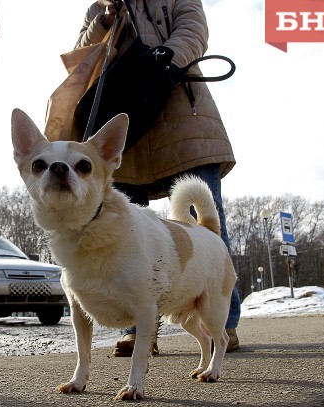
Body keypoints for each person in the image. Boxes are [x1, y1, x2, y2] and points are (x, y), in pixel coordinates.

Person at [74, 0, 241, 357]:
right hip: (128, 124)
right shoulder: (100, 7)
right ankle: (139, 327)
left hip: (181, 114)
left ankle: (223, 322)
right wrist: (103, 22)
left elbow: (194, 31)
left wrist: (167, 58)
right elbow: (82, 55)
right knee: (125, 231)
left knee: (210, 226)